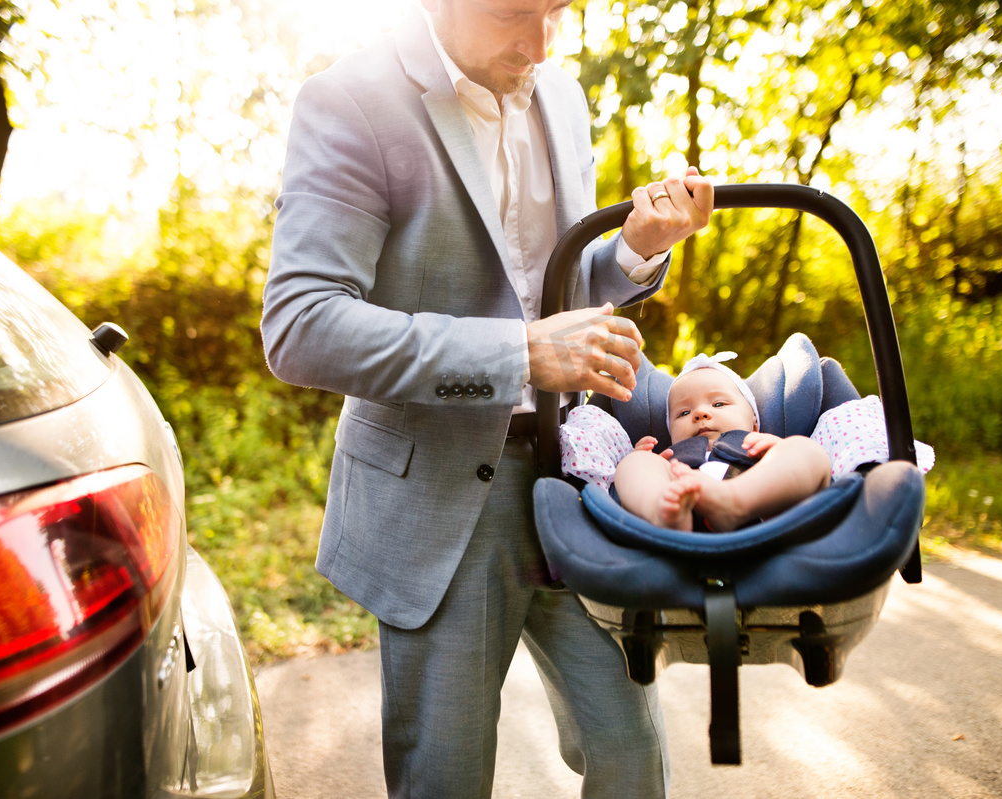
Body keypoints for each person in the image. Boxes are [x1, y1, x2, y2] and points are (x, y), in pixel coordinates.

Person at [260, 1, 713, 797]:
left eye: (557, 11)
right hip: (440, 501)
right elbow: (302, 325)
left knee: (633, 755)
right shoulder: (352, 102)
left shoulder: (564, 98)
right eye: (513, 13)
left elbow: (555, 285)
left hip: (579, 485)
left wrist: (639, 251)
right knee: (448, 777)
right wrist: (519, 354)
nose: (539, 44)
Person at [606, 353, 831, 531]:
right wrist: (642, 458)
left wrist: (779, 450)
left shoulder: (763, 448)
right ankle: (660, 511)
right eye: (683, 413)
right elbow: (638, 472)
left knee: (804, 448)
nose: (700, 413)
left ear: (754, 423)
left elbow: (794, 460)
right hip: (679, 508)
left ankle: (734, 501)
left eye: (719, 404)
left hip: (768, 520)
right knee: (632, 464)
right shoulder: (667, 460)